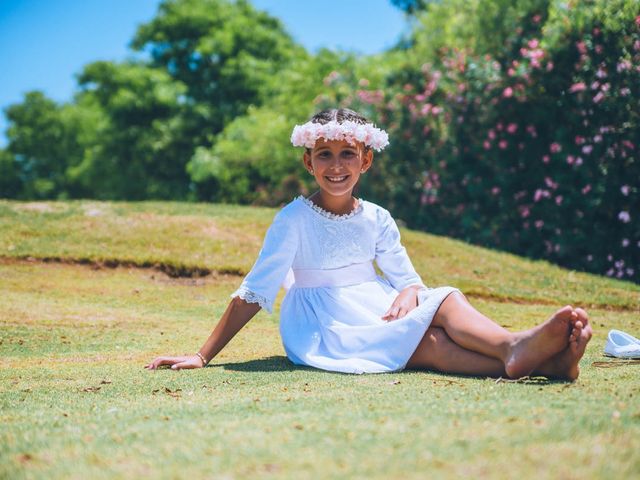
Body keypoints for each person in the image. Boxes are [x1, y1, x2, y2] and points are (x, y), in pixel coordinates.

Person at [145, 108, 592, 380]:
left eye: (347, 155)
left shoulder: (377, 217)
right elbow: (255, 291)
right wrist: (203, 356)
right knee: (427, 346)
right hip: (325, 324)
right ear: (308, 161)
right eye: (324, 154)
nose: (336, 165)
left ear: (366, 160)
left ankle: (517, 347)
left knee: (446, 300)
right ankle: (526, 360)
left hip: (373, 301)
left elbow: (406, 277)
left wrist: (411, 292)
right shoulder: (293, 219)